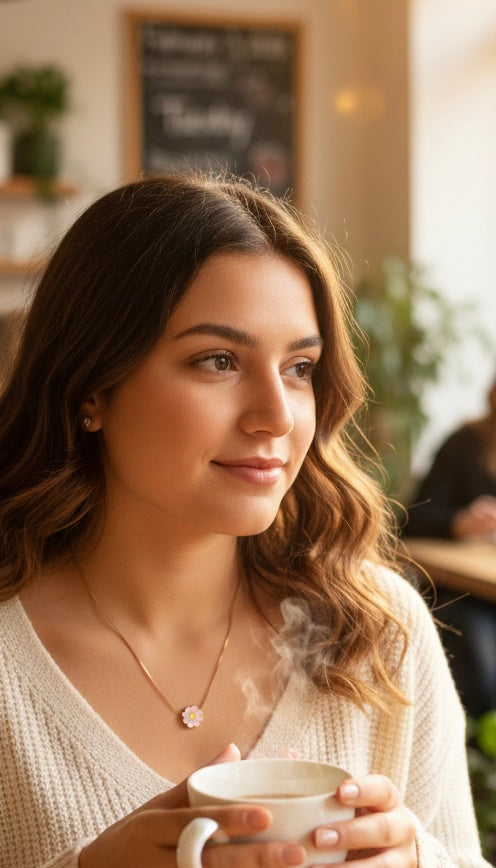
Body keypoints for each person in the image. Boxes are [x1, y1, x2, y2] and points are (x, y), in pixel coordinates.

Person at [0, 173, 489, 868]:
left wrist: (417, 860)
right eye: (219, 361)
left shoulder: (378, 631)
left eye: (300, 367)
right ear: (90, 390)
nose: (277, 417)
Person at [405, 380, 496, 716]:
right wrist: (459, 523)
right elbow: (411, 519)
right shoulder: (464, 444)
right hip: (459, 592)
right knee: (483, 674)